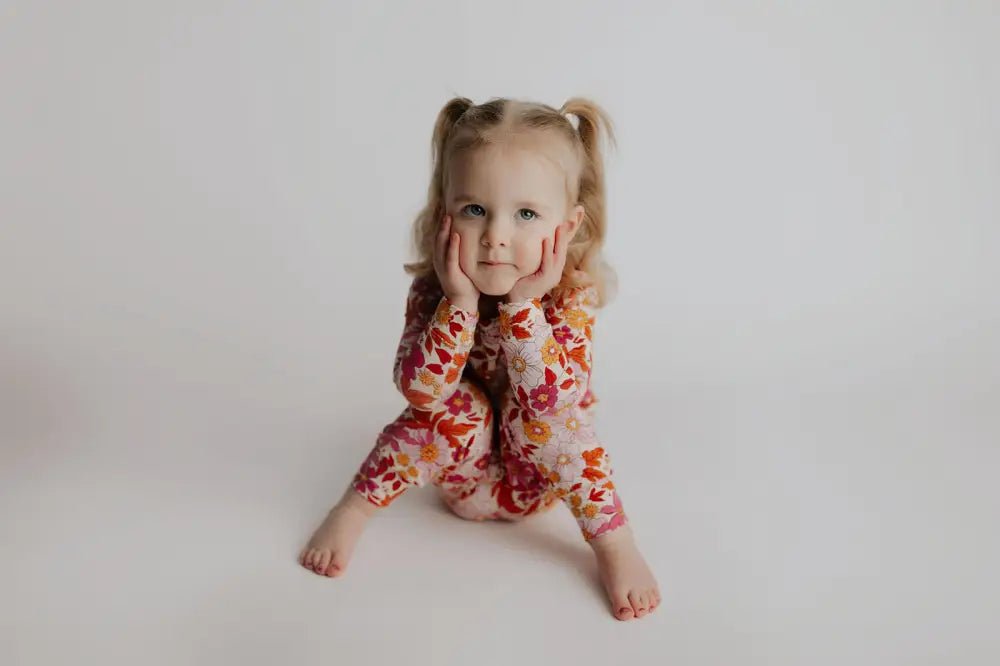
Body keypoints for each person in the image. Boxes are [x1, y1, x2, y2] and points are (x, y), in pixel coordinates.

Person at [299, 96, 660, 621]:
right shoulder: (434, 290)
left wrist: (522, 306)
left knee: (548, 419)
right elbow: (420, 392)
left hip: (536, 486)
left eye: (526, 214)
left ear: (568, 226)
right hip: (462, 482)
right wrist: (460, 304)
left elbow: (554, 402)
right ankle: (353, 509)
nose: (495, 237)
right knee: (456, 406)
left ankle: (615, 544)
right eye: (475, 210)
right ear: (444, 211)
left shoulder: (568, 296)